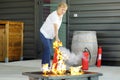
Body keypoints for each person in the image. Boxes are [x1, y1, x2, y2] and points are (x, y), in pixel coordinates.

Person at [40, 2, 68, 67]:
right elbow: (55, 27)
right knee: (48, 50)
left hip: (49, 36)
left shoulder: (61, 15)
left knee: (46, 50)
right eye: (62, 9)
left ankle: (44, 66)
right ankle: (48, 67)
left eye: (65, 10)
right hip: (44, 34)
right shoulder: (54, 15)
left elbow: (57, 27)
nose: (63, 11)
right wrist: (57, 38)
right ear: (58, 8)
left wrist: (54, 36)